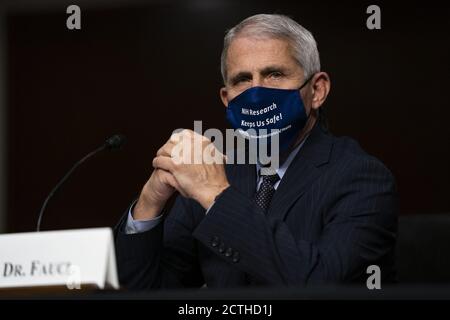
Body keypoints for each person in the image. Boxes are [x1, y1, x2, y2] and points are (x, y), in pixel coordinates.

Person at [114, 14, 398, 289]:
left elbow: (321, 283)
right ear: (227, 99)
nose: (257, 94)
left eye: (274, 74)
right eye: (242, 80)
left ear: (317, 90)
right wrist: (149, 203)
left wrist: (216, 196)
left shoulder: (361, 177)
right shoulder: (218, 170)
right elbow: (150, 289)